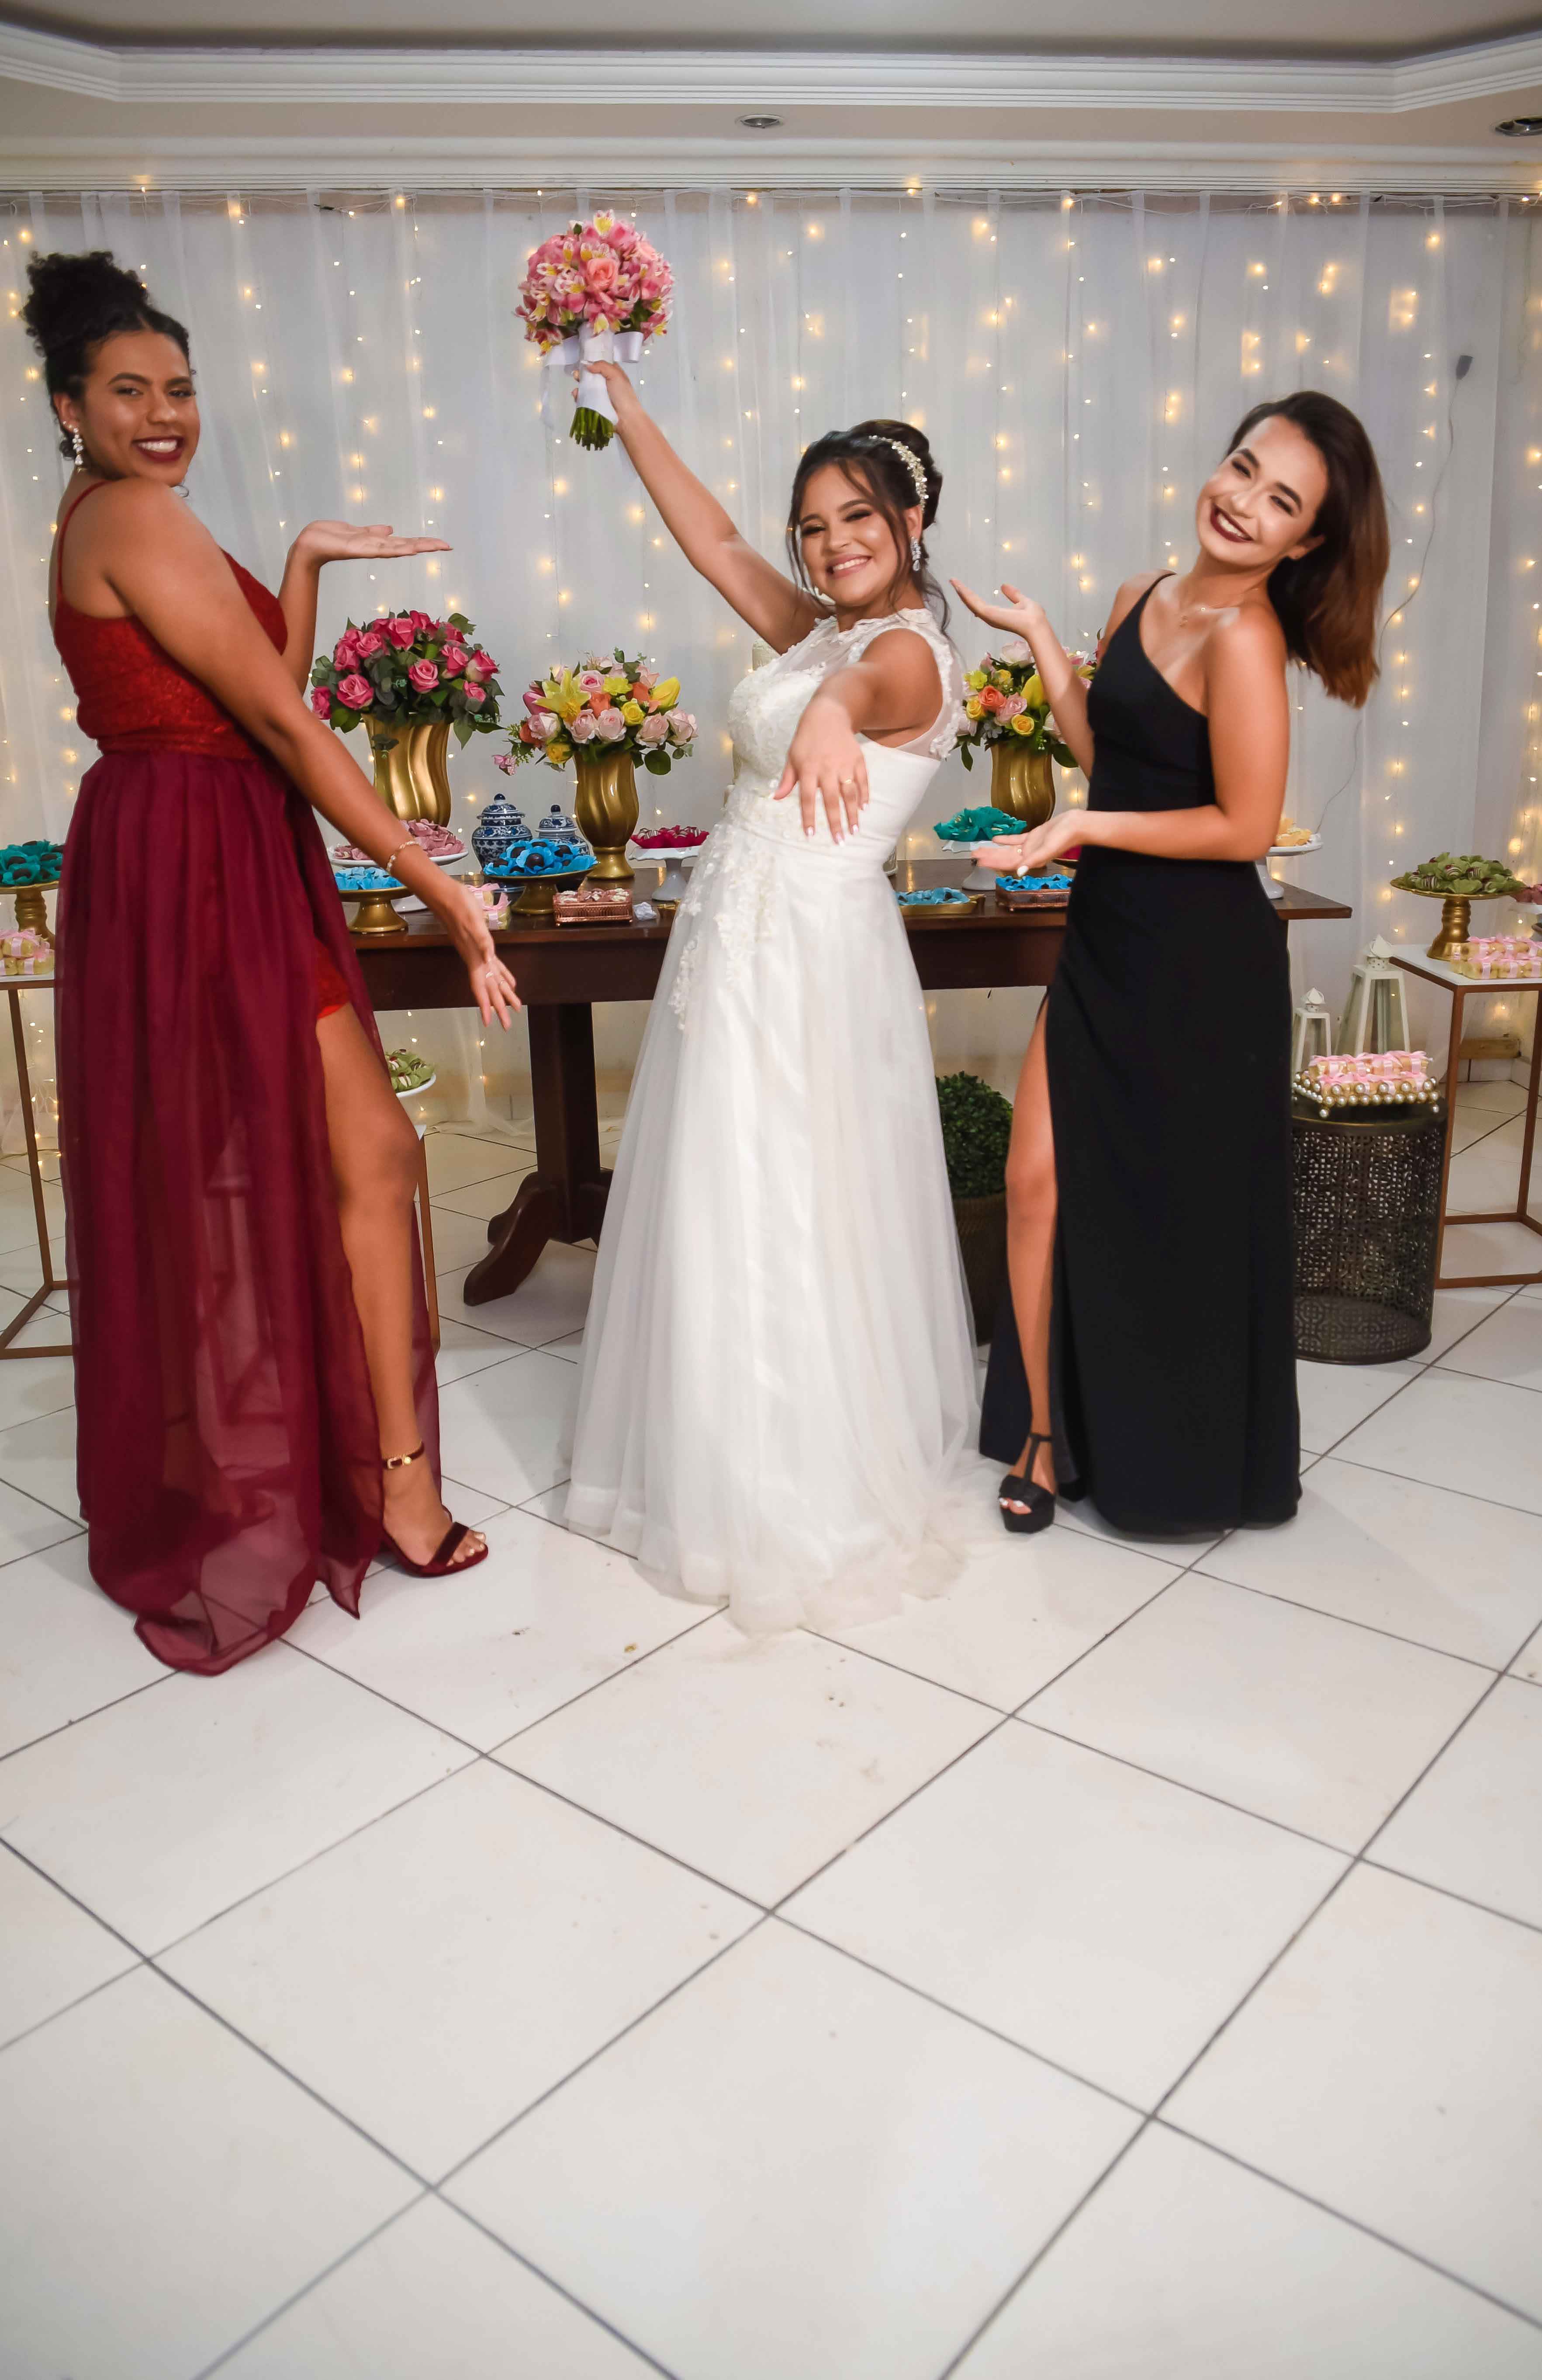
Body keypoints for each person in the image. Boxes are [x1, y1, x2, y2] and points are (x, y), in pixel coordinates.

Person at [26, 249, 521, 1674]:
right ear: (70, 408)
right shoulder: (132, 513)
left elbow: (260, 692)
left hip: (201, 843)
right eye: (129, 391)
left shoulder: (125, 515)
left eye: (180, 387)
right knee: (328, 1156)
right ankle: (365, 1484)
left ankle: (371, 1469)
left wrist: (296, 563)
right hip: (196, 859)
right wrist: (436, 883)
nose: (164, 414)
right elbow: (289, 730)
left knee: (347, 1155)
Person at [565, 363, 978, 1631]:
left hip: (803, 955)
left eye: (858, 517)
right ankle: (715, 1452)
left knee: (790, 1195)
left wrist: (829, 714)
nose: (833, 542)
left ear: (911, 521)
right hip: (737, 944)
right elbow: (712, 541)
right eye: (813, 525)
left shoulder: (903, 654)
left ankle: (796, 1488)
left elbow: (867, 693)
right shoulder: (821, 629)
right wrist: (626, 402)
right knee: (719, 1187)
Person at [961, 390, 1389, 1538]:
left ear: (1305, 540)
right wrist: (1043, 643)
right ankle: (1043, 1431)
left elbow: (1243, 828)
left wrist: (1079, 829)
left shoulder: (1248, 638)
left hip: (1201, 968)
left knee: (1175, 1218)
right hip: (1109, 937)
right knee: (1037, 1182)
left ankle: (1173, 1460)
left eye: (1281, 501)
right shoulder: (1141, 595)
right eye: (1243, 468)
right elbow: (1110, 757)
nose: (1243, 502)